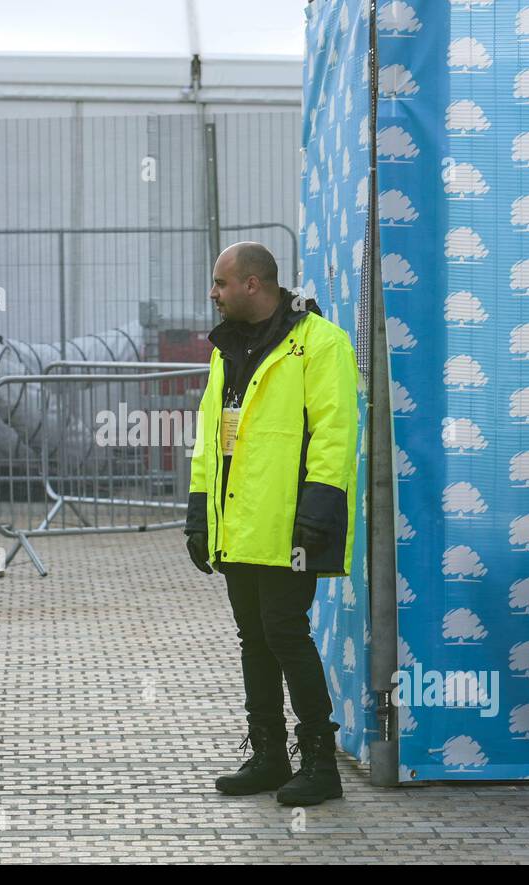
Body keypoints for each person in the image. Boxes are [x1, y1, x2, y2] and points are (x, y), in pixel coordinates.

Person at [186, 242, 359, 807]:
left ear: (254, 284)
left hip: (290, 525)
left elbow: (335, 433)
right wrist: (198, 510)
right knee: (254, 640)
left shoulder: (321, 343)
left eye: (220, 283)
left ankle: (319, 762)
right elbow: (213, 438)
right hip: (239, 522)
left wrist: (317, 511)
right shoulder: (226, 350)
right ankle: (268, 756)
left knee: (286, 634)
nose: (213, 293)